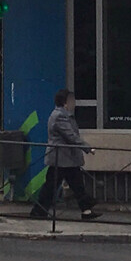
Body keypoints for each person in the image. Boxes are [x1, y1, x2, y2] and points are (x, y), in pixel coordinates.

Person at [31, 89, 100, 220]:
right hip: (61, 158)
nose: (74, 103)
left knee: (77, 185)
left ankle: (87, 210)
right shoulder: (60, 116)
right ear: (65, 103)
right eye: (71, 100)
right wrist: (87, 147)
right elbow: (70, 136)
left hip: (67, 159)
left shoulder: (64, 115)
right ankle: (38, 211)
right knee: (51, 187)